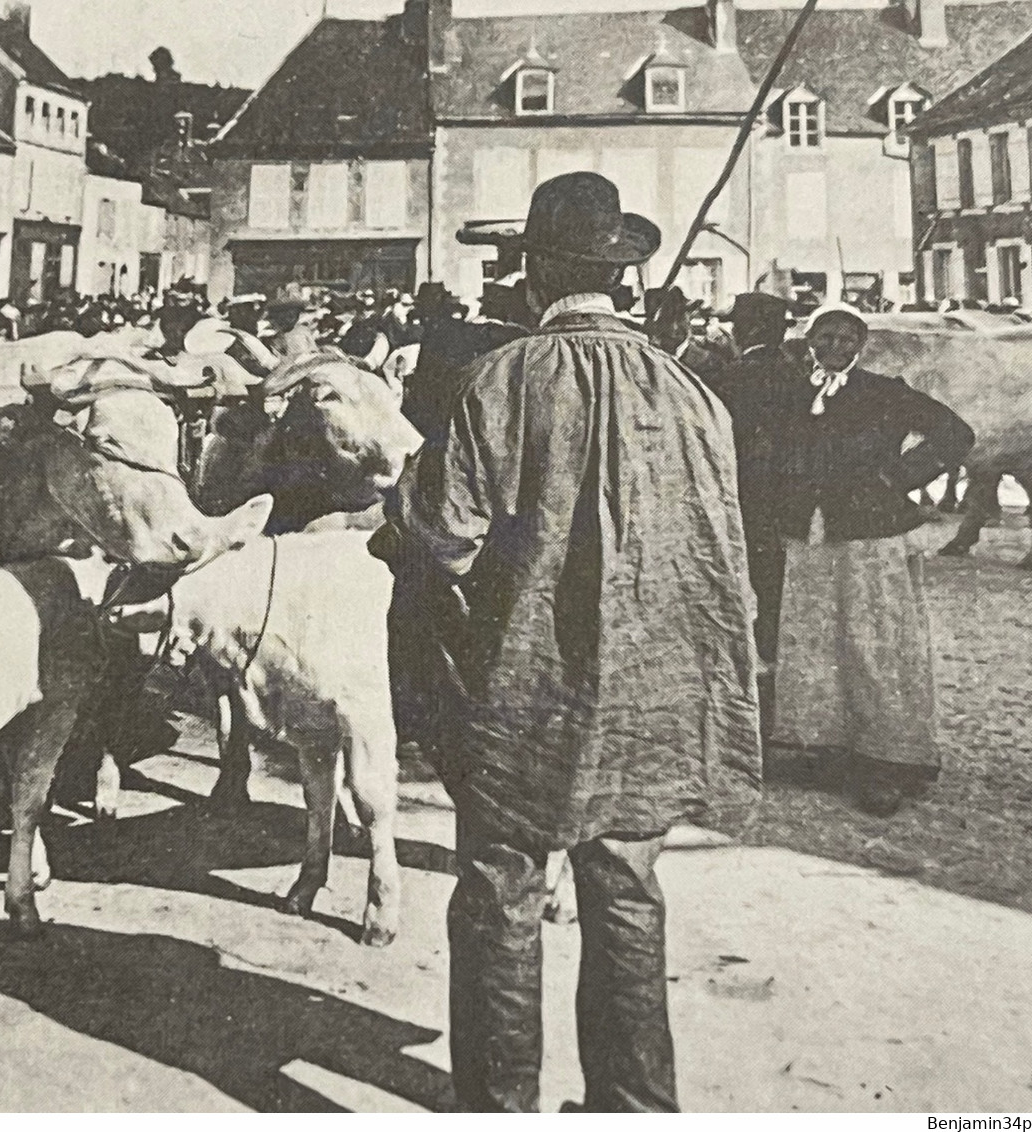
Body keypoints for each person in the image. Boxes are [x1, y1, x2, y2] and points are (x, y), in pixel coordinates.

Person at [376, 172, 762, 1112]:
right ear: (622, 277)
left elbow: (439, 534)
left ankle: (498, 1108)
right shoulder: (692, 393)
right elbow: (722, 554)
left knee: (502, 894)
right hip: (653, 693)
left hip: (521, 693)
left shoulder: (500, 379)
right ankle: (634, 1108)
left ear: (537, 273)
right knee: (627, 891)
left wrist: (399, 513)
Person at [768, 303, 974, 816]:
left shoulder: (885, 392)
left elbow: (955, 435)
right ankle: (825, 746)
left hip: (870, 536)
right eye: (826, 336)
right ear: (809, 340)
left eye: (847, 338)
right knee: (816, 638)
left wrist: (897, 479)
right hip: (809, 535)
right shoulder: (791, 393)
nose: (836, 346)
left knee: (874, 640)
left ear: (861, 345)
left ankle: (885, 759)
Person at [715, 293, 796, 692]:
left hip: (746, 489)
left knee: (751, 569)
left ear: (748, 330)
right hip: (792, 492)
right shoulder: (799, 372)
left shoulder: (732, 375)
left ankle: (758, 652)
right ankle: (778, 648)